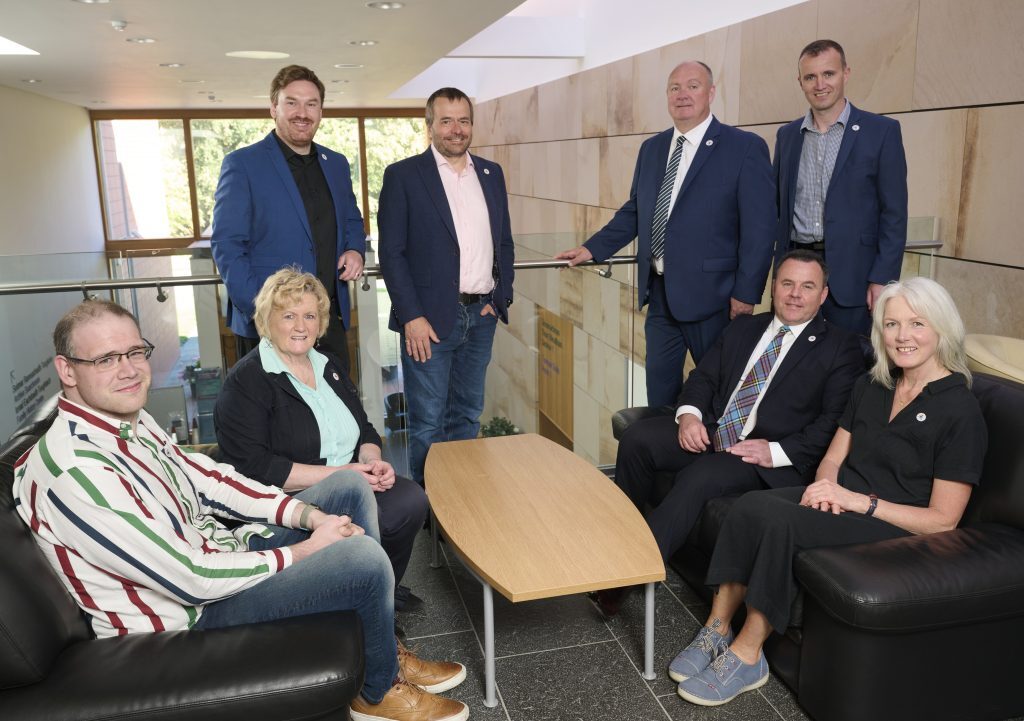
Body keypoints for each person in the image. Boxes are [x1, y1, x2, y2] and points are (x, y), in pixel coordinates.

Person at [13, 299, 468, 721]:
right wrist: (308, 550)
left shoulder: (126, 422)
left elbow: (213, 480)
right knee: (362, 560)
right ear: (66, 371)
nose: (129, 370)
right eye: (106, 359)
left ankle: (381, 646)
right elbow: (189, 578)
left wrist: (305, 516)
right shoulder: (77, 469)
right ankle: (375, 692)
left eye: (135, 352)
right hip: (188, 615)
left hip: (217, 555)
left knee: (346, 485)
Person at [672, 277, 986, 707]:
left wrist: (858, 502)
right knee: (750, 506)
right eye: (891, 324)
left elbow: (943, 520)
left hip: (893, 523)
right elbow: (834, 457)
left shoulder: (960, 409)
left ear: (941, 329)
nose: (902, 336)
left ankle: (748, 656)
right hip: (843, 502)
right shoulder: (874, 384)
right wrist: (825, 488)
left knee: (779, 522)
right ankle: (717, 628)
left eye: (916, 324)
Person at [600, 250, 863, 615]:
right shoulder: (744, 327)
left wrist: (775, 451)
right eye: (787, 283)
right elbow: (703, 378)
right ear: (774, 288)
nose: (795, 294)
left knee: (702, 475)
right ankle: (614, 545)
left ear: (823, 294)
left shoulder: (841, 347)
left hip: (765, 455)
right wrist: (689, 416)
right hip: (715, 431)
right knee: (637, 440)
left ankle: (626, 574)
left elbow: (833, 422)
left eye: (807, 286)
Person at [556, 61, 776, 408]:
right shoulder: (653, 149)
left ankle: (711, 461)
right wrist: (592, 249)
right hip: (659, 296)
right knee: (659, 396)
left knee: (718, 394)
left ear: (711, 93)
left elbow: (760, 230)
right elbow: (635, 211)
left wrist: (746, 294)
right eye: (675, 88)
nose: (682, 94)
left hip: (717, 300)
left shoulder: (743, 147)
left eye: (693, 85)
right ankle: (663, 461)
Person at [214, 268, 428, 612]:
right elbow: (256, 469)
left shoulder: (329, 365)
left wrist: (372, 462)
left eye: (310, 315)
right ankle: (366, 606)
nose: (301, 326)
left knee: (410, 500)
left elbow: (365, 429)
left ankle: (384, 585)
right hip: (291, 498)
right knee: (355, 492)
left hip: (351, 476)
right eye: (289, 315)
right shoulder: (247, 383)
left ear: (321, 322)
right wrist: (346, 475)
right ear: (268, 320)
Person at [378, 87, 515, 485]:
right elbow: (392, 254)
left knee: (467, 415)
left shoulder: (491, 174)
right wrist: (412, 317)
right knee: (427, 423)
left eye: (464, 120)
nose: (456, 130)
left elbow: (503, 241)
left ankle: (464, 502)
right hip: (429, 322)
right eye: (446, 121)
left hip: (482, 315)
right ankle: (429, 512)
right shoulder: (403, 176)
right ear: (430, 126)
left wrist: (499, 297)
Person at [212, 64, 367, 370]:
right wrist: (264, 311)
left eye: (312, 104)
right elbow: (228, 246)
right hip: (270, 326)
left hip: (326, 320)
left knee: (337, 412)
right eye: (292, 103)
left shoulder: (336, 164)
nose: (302, 113)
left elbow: (351, 219)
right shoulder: (243, 164)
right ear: (274, 107)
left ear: (321, 111)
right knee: (276, 416)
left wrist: (354, 249)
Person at [774, 39, 908, 337]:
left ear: (846, 73)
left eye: (829, 74)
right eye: (810, 77)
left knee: (849, 367)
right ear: (800, 82)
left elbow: (894, 214)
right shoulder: (787, 136)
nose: (820, 84)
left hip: (855, 278)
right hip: (797, 273)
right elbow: (778, 209)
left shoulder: (881, 132)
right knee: (791, 365)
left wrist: (882, 278)